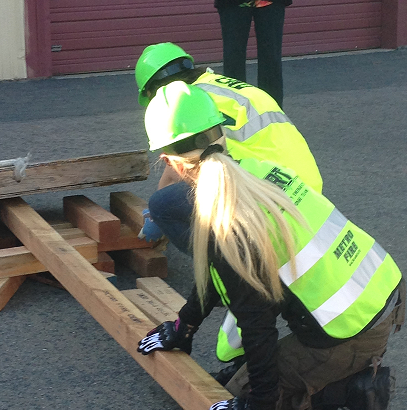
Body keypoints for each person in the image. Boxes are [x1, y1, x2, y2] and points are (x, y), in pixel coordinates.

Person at [137, 81, 405, 410]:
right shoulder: (256, 169)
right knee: (250, 378)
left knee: (242, 392)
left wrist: (258, 404)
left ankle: (356, 389)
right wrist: (185, 325)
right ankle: (338, 368)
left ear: (168, 161)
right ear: (222, 135)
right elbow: (217, 276)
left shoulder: (226, 222)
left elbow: (256, 321)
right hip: (381, 291)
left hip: (354, 326)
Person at [135, 41, 321, 378]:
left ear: (153, 90)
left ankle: (230, 274)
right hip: (307, 194)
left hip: (267, 199)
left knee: (166, 204)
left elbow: (179, 163)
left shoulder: (189, 103)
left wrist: (155, 218)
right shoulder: (224, 85)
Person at [215, 0, 291, 109]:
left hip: (271, 3)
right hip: (232, 3)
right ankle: (234, 110)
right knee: (233, 57)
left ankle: (272, 112)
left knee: (271, 58)